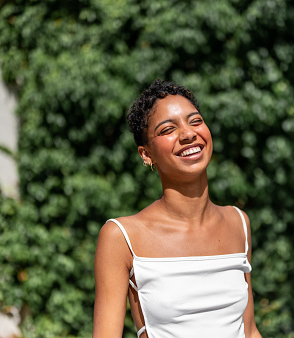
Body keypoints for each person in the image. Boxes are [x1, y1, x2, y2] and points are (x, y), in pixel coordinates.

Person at [93, 79, 262, 338]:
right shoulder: (122, 236)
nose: (188, 134)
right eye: (167, 129)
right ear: (146, 154)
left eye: (195, 121)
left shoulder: (238, 222)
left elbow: (249, 331)